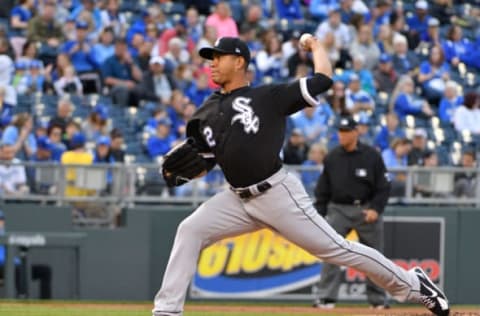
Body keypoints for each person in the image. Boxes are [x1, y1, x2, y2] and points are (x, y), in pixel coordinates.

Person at [152, 36, 450, 316]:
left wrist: (317, 46)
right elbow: (206, 161)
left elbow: (323, 79)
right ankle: (167, 309)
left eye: (218, 57)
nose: (212, 63)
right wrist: (181, 171)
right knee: (190, 230)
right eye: (210, 58)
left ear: (239, 61)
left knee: (337, 249)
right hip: (235, 198)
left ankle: (414, 283)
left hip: (276, 194)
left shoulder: (268, 96)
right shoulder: (204, 112)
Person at [312, 116, 390, 309]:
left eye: (346, 131)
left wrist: (376, 209)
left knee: (374, 257)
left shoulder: (372, 156)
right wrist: (320, 212)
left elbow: (384, 186)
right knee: (331, 253)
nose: (342, 135)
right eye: (340, 131)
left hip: (366, 208)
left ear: (356, 132)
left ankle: (378, 300)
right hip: (338, 209)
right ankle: (326, 298)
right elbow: (323, 187)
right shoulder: (332, 157)